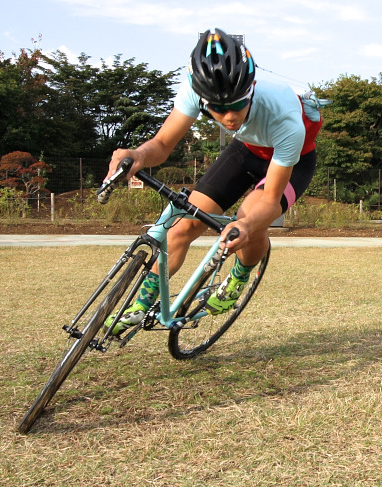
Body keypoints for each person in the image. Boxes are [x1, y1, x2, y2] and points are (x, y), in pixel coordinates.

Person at [104, 28, 328, 335]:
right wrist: (138, 154)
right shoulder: (193, 91)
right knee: (182, 224)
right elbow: (162, 144)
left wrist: (247, 227)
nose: (229, 117)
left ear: (251, 89)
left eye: (237, 105)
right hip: (246, 149)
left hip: (292, 158)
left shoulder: (284, 114)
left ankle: (239, 276)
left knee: (249, 218)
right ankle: (141, 302)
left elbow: (270, 200)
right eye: (218, 109)